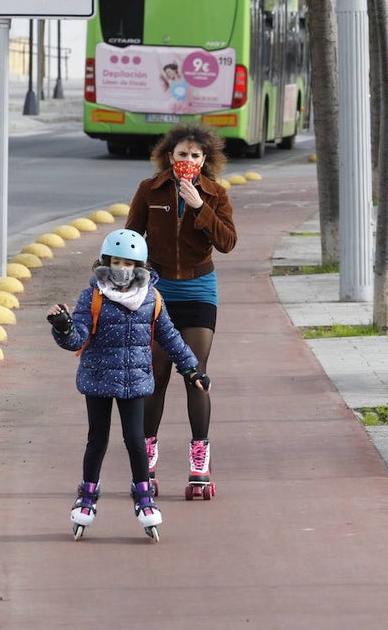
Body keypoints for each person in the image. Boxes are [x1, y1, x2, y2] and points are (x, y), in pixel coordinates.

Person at [46, 229, 200, 541]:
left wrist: (192, 369)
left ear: (140, 266)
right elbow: (77, 337)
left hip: (134, 381)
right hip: (98, 379)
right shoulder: (93, 296)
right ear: (105, 262)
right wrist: (63, 328)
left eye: (129, 264)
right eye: (116, 262)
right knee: (97, 440)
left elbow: (169, 336)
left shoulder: (152, 298)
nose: (121, 269)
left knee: (135, 440)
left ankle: (144, 497)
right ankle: (87, 496)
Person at [125, 124, 236, 500]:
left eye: (195, 155)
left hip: (199, 289)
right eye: (182, 154)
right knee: (156, 374)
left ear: (206, 161)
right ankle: (148, 454)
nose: (188, 161)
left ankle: (199, 457)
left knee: (195, 372)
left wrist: (200, 207)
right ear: (169, 156)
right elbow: (132, 237)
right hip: (158, 290)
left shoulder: (215, 194)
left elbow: (228, 242)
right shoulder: (149, 189)